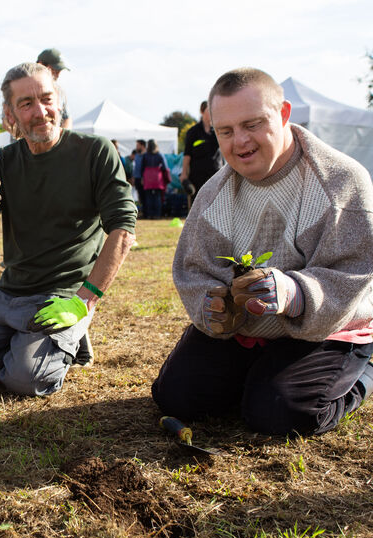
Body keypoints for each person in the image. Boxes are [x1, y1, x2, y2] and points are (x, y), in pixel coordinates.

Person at [151, 67, 373, 436]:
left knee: (280, 414)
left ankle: (363, 369)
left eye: (252, 124)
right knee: (176, 397)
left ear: (284, 114)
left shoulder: (341, 182)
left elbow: (352, 271)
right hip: (248, 329)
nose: (240, 141)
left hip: (327, 328)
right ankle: (261, 374)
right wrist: (215, 306)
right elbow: (194, 270)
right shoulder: (213, 195)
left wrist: (293, 293)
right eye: (226, 131)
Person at [0, 62, 137, 396]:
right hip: (7, 294)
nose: (40, 111)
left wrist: (85, 299)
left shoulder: (95, 152)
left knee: (24, 381)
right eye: (26, 104)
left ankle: (62, 339)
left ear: (60, 101)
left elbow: (123, 231)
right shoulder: (1, 162)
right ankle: (41, 345)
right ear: (11, 115)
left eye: (46, 98)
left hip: (63, 296)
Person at [180, 100, 221, 205]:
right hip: (197, 177)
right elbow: (187, 155)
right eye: (209, 110)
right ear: (202, 112)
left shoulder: (219, 131)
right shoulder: (193, 132)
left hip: (216, 175)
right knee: (198, 207)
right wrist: (184, 174)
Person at [36, 48, 73, 129]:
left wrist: (63, 139)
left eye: (59, 70)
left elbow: (67, 118)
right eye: (55, 69)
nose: (58, 74)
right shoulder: (22, 88)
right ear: (41, 65)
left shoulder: (59, 92)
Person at [139, 139, 170, 219]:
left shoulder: (145, 155)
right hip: (157, 176)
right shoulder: (159, 155)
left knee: (148, 196)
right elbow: (165, 167)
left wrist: (142, 178)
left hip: (147, 176)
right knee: (157, 197)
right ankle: (157, 214)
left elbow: (142, 167)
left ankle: (149, 214)